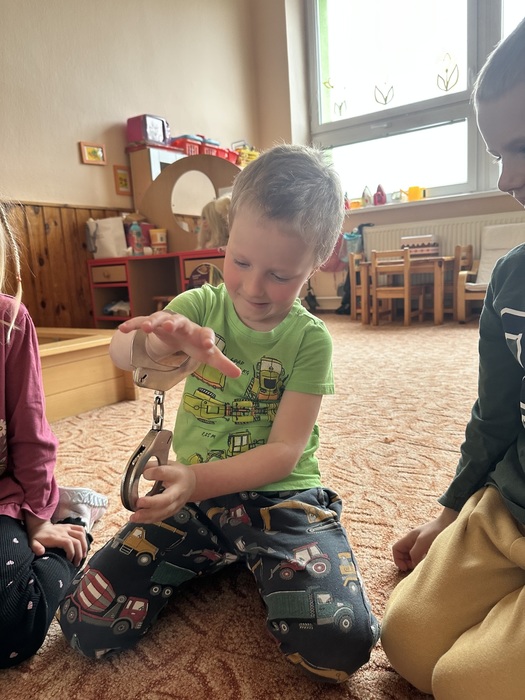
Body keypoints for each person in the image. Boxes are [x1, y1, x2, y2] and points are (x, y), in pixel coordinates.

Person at [59, 143, 379, 682]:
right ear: (226, 240)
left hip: (281, 499)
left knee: (340, 645)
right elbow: (124, 354)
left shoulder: (310, 340)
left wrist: (195, 480)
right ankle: (229, 555)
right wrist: (160, 343)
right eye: (241, 261)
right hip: (193, 501)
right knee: (85, 621)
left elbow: (284, 451)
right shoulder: (200, 306)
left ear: (316, 265)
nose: (253, 288)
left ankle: (246, 553)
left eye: (280, 275)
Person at [381, 16, 525, 699]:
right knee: (407, 643)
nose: (506, 178)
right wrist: (449, 511)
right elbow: (494, 415)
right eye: (498, 154)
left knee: (469, 684)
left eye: (523, 148)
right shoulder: (510, 278)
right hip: (511, 503)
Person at [0, 202, 108, 668]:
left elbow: (32, 435)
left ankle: (71, 518)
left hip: (8, 498)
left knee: (14, 623)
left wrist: (38, 517)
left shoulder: (8, 321)